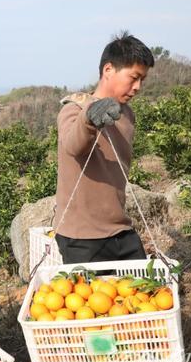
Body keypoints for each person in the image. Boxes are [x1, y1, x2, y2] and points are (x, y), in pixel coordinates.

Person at [53, 32, 155, 264]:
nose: (138, 87)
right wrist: (90, 118)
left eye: (143, 80)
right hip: (81, 236)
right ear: (108, 70)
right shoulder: (74, 110)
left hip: (120, 229)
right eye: (134, 77)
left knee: (144, 295)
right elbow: (73, 146)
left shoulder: (127, 114)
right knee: (92, 300)